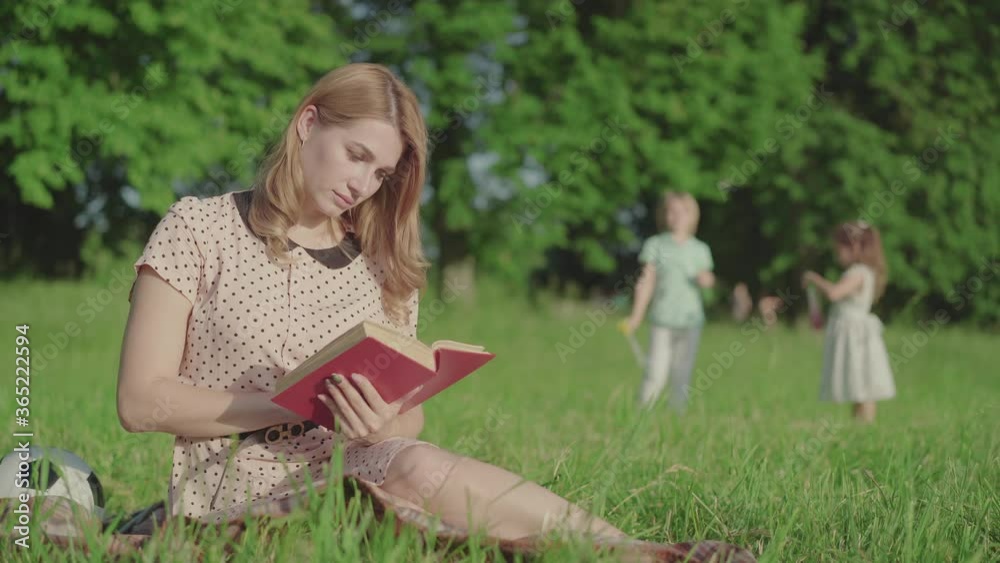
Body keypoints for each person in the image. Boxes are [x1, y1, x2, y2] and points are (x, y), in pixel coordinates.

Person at [115, 64, 756, 561]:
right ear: (308, 124)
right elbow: (141, 403)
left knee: (417, 465)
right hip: (230, 491)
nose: (363, 185)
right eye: (356, 156)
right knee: (395, 504)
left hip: (359, 467)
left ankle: (629, 549)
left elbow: (409, 419)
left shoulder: (381, 263)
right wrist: (294, 403)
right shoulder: (199, 228)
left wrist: (379, 416)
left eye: (382, 172)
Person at [624, 192, 715, 411]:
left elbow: (709, 280)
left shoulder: (699, 249)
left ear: (692, 215)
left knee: (682, 373)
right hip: (662, 318)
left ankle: (677, 416)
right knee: (655, 371)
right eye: (671, 211)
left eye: (683, 211)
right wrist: (636, 316)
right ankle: (643, 413)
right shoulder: (655, 245)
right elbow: (646, 282)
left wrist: (706, 280)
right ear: (664, 215)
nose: (676, 216)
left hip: (690, 320)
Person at [802, 221, 895, 423]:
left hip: (855, 334)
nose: (837, 254)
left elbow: (835, 293)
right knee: (857, 382)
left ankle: (865, 423)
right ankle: (857, 423)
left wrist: (813, 279)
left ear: (854, 247)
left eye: (840, 249)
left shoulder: (858, 272)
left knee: (861, 380)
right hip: (853, 331)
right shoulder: (863, 272)